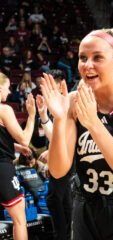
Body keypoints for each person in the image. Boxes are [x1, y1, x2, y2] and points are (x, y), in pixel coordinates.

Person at [41, 27, 113, 239]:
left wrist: (94, 124)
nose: (87, 65)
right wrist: (59, 120)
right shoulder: (72, 101)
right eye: (82, 58)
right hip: (86, 206)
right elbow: (58, 171)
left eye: (97, 58)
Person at [36, 69, 73, 240]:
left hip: (67, 156)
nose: (45, 88)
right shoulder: (53, 104)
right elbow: (55, 137)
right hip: (60, 156)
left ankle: (63, 236)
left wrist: (51, 153)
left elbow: (65, 137)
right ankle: (67, 234)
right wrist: (43, 114)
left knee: (55, 199)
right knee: (63, 199)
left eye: (49, 84)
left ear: (60, 85)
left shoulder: (68, 101)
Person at [0, 72, 36, 240]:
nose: (8, 93)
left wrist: (15, 147)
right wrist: (32, 116)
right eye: (7, 88)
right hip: (2, 168)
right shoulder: (4, 109)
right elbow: (25, 138)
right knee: (20, 220)